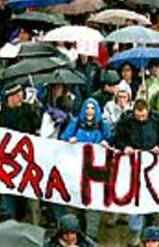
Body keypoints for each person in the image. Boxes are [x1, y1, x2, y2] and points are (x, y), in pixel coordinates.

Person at [113, 99, 159, 247]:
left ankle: (151, 233)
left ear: (147, 111)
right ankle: (135, 235)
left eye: (143, 116)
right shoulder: (126, 122)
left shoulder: (158, 120)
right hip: (132, 166)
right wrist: (124, 147)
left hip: (153, 167)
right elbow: (116, 139)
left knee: (152, 198)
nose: (140, 118)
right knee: (135, 198)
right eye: (138, 116)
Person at [61, 98, 111, 241]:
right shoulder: (75, 122)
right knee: (75, 203)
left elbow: (111, 140)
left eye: (92, 108)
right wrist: (70, 140)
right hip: (76, 171)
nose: (90, 111)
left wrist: (106, 143)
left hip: (95, 173)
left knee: (92, 203)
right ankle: (75, 233)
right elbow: (63, 138)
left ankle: (91, 235)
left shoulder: (103, 125)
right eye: (87, 108)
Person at [0, 83, 42, 222]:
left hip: (25, 157)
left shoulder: (28, 109)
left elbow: (36, 125)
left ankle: (20, 215)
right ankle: (7, 215)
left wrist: (34, 111)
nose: (20, 98)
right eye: (18, 96)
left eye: (21, 95)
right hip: (8, 158)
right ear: (10, 97)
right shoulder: (3, 113)